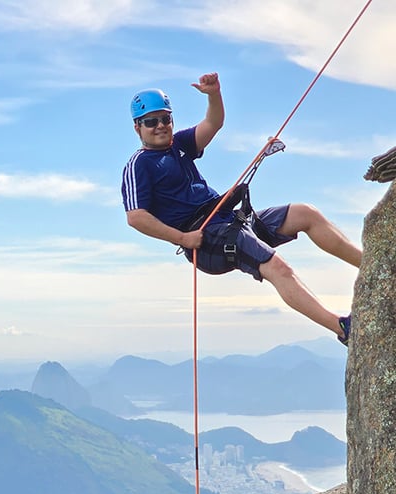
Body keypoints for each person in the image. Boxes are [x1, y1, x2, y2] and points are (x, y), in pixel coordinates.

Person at [121, 73, 361, 345]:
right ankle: (342, 329)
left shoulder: (180, 145)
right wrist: (183, 239)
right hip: (207, 238)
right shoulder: (139, 165)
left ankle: (369, 264)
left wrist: (214, 94)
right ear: (137, 128)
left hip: (228, 219)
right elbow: (135, 217)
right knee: (276, 267)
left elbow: (213, 123)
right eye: (152, 122)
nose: (161, 126)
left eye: (166, 119)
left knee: (305, 214)